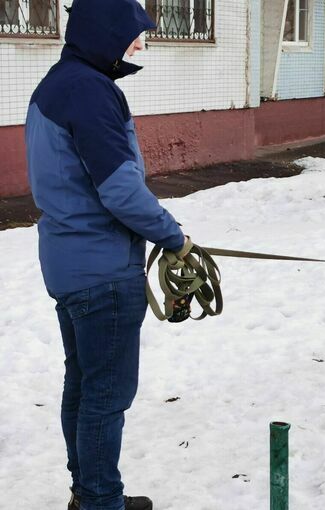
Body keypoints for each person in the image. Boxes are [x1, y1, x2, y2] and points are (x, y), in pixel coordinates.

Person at [25, 0, 189, 508]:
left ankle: (88, 491)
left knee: (83, 384)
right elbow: (120, 191)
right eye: (132, 33)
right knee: (105, 397)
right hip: (102, 273)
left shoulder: (57, 85)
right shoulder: (91, 93)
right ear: (104, 33)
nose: (140, 44)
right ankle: (100, 501)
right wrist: (174, 237)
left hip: (69, 265)